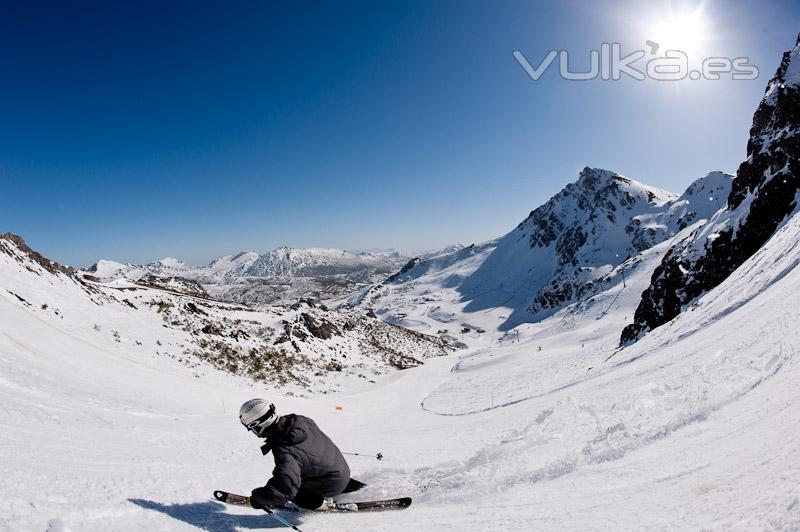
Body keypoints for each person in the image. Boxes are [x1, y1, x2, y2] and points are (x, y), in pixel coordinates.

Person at [239, 398, 364, 511]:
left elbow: (285, 489)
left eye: (252, 428)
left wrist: (261, 498)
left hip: (332, 484)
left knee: (294, 492)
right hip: (341, 471)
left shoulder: (284, 448)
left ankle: (322, 505)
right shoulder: (299, 421)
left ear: (258, 425)